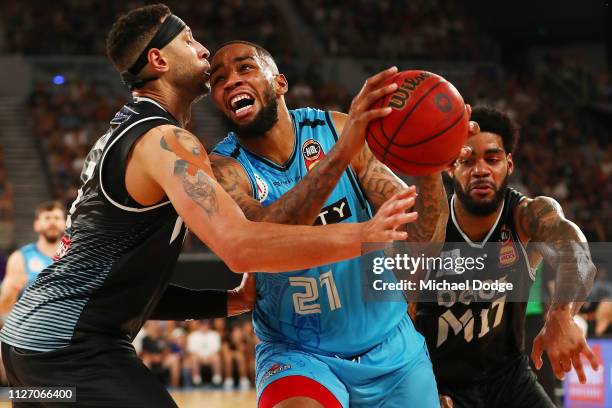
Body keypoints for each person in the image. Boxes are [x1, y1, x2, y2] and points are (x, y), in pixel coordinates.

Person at [0, 5, 417, 407]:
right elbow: (240, 247)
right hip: (68, 348)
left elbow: (129, 290)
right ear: (159, 60)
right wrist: (362, 235)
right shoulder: (166, 141)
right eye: (189, 39)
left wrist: (229, 301)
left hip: (29, 349)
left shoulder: (125, 131)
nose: (202, 49)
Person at [208, 41, 472, 407]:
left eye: (245, 68)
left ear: (280, 82)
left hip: (390, 346)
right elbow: (260, 238)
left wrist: (429, 171)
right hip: (298, 354)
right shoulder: (224, 168)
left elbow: (419, 239)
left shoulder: (334, 128)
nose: (231, 81)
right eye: (218, 79)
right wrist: (342, 152)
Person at [413, 106, 599, 408]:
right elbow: (397, 321)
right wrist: (416, 387)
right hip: (438, 385)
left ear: (509, 164)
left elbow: (575, 250)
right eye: (467, 160)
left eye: (492, 158)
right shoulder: (428, 228)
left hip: (509, 382)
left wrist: (561, 314)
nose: (481, 169)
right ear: (451, 168)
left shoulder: (526, 216)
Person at [0, 201, 65, 314]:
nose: (52, 222)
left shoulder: (74, 256)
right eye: (47, 218)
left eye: (57, 218)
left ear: (65, 223)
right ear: (36, 224)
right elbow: (4, 309)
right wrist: (10, 293)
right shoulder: (20, 258)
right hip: (33, 327)